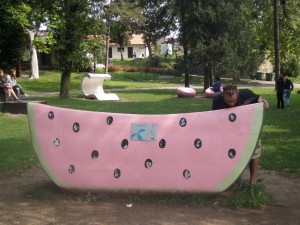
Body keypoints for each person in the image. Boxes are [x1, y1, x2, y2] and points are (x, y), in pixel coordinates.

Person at [212, 84, 269, 185]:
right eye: (228, 101)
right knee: (229, 155)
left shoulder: (246, 94)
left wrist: (262, 101)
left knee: (254, 153)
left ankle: (253, 182)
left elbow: (258, 97)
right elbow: (215, 118)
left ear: (238, 94)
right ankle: (232, 180)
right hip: (229, 131)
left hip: (248, 129)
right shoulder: (217, 99)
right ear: (223, 95)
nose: (231, 104)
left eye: (234, 100)